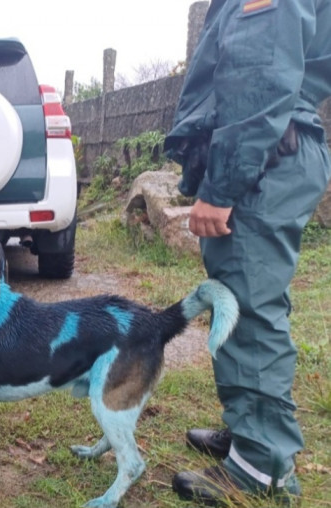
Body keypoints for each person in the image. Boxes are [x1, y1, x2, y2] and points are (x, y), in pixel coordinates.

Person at [165, 0, 331, 505]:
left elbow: (259, 74)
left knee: (248, 306)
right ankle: (248, 433)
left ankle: (263, 467)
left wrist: (222, 186)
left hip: (264, 156)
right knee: (246, 297)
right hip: (272, 149)